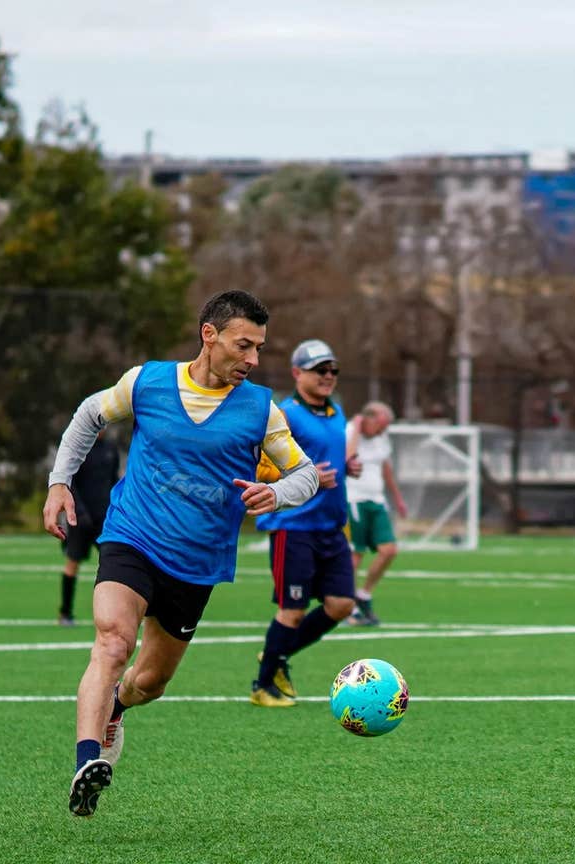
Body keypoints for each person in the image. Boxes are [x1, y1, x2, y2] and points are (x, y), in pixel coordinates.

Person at [43, 290, 319, 818]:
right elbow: (88, 415)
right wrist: (60, 483)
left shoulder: (262, 410)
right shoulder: (146, 383)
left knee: (150, 682)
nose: (253, 359)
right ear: (209, 335)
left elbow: (304, 473)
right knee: (112, 640)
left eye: (260, 348)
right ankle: (87, 759)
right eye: (245, 345)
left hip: (197, 564)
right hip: (133, 538)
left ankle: (117, 708)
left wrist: (276, 494)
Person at [250, 339, 362, 707]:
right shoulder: (285, 415)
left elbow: (327, 457)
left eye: (333, 370)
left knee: (342, 604)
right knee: (292, 610)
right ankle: (262, 686)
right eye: (320, 370)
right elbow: (265, 466)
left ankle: (276, 654)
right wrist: (311, 476)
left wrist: (346, 467)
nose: (328, 377)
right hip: (293, 527)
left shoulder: (336, 412)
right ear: (297, 373)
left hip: (331, 527)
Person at [346, 401, 409, 626]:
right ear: (367, 419)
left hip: (377, 500)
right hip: (354, 500)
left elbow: (385, 468)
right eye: (380, 424)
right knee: (355, 556)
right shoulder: (350, 432)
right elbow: (349, 458)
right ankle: (349, 607)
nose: (383, 430)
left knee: (389, 550)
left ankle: (364, 594)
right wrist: (356, 428)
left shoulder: (381, 438)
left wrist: (398, 498)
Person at [56, 431, 121, 626]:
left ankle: (116, 615)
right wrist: (80, 512)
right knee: (72, 564)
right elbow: (71, 483)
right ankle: (65, 613)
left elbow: (114, 480)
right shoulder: (80, 448)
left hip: (105, 520)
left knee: (115, 565)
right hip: (80, 519)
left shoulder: (110, 449)